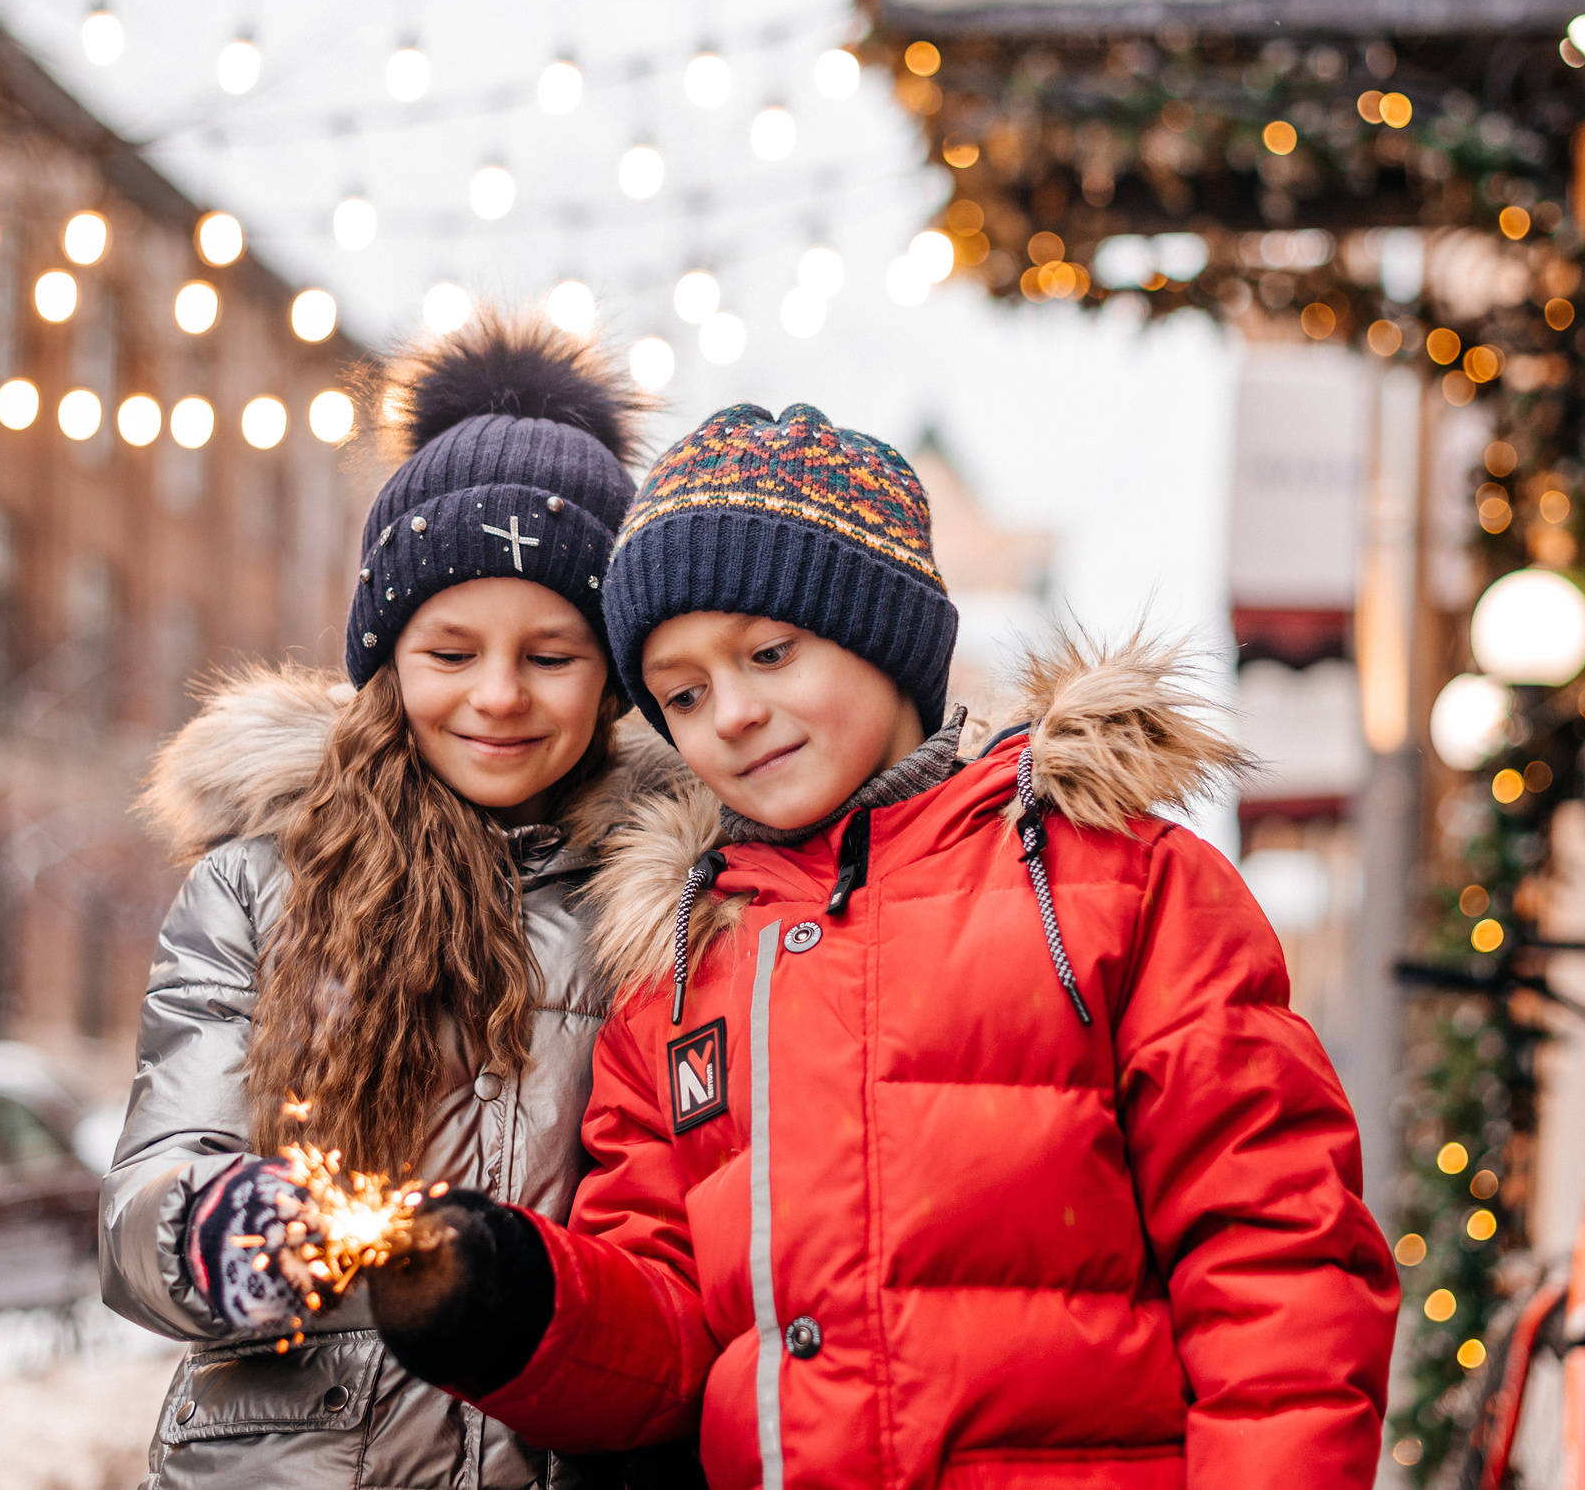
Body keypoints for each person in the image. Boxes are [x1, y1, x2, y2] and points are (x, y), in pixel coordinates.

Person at [362, 401, 1400, 1488]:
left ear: (878, 633)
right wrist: (519, 1303)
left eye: (769, 651)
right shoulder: (676, 977)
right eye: (683, 692)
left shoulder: (1113, 884)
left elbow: (1273, 1250)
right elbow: (667, 1321)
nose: (733, 713)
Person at [100, 313, 698, 1490]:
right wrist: (220, 1228)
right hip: (296, 1457)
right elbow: (150, 1187)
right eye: (450, 649)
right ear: (387, 654)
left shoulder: (664, 896)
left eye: (553, 652)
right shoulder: (261, 884)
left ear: (614, 670)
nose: (498, 695)